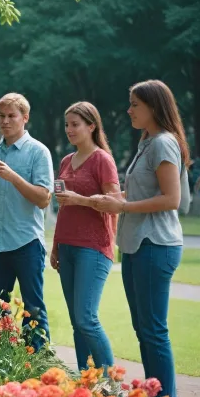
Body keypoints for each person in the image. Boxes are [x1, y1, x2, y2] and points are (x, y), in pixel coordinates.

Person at [93, 80, 190, 397]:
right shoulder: (147, 143)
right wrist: (115, 198)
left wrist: (122, 207)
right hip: (136, 245)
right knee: (143, 329)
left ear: (153, 107)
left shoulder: (163, 143)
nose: (129, 110)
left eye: (135, 104)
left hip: (155, 245)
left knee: (153, 330)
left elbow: (171, 199)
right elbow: (143, 194)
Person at [0, 93, 54, 349]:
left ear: (25, 118)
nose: (5, 121)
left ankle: (36, 363)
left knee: (33, 310)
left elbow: (43, 199)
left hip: (26, 242)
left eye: (11, 116)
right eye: (1, 117)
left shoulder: (38, 152)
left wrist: (11, 175)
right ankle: (0, 363)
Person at [50, 102, 120, 371]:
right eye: (67, 124)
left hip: (93, 247)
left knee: (86, 319)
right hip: (66, 246)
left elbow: (115, 203)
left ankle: (111, 386)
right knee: (77, 322)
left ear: (92, 126)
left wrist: (81, 199)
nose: (69, 129)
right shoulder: (66, 161)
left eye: (75, 124)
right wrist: (55, 245)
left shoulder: (102, 159)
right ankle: (86, 385)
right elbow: (63, 207)